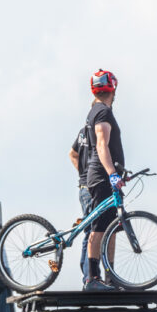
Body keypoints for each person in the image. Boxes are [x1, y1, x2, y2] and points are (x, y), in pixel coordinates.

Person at [82, 69, 126, 291]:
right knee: (99, 228)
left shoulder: (97, 110)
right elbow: (101, 144)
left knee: (112, 227)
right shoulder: (102, 113)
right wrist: (112, 173)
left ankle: (110, 278)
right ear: (113, 89)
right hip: (102, 178)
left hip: (105, 177)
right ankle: (92, 278)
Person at [69, 120, 95, 280]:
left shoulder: (83, 131)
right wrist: (86, 175)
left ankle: (88, 274)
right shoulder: (95, 131)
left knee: (90, 230)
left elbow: (72, 154)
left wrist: (82, 173)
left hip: (84, 186)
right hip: (90, 187)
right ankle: (88, 275)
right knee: (93, 230)